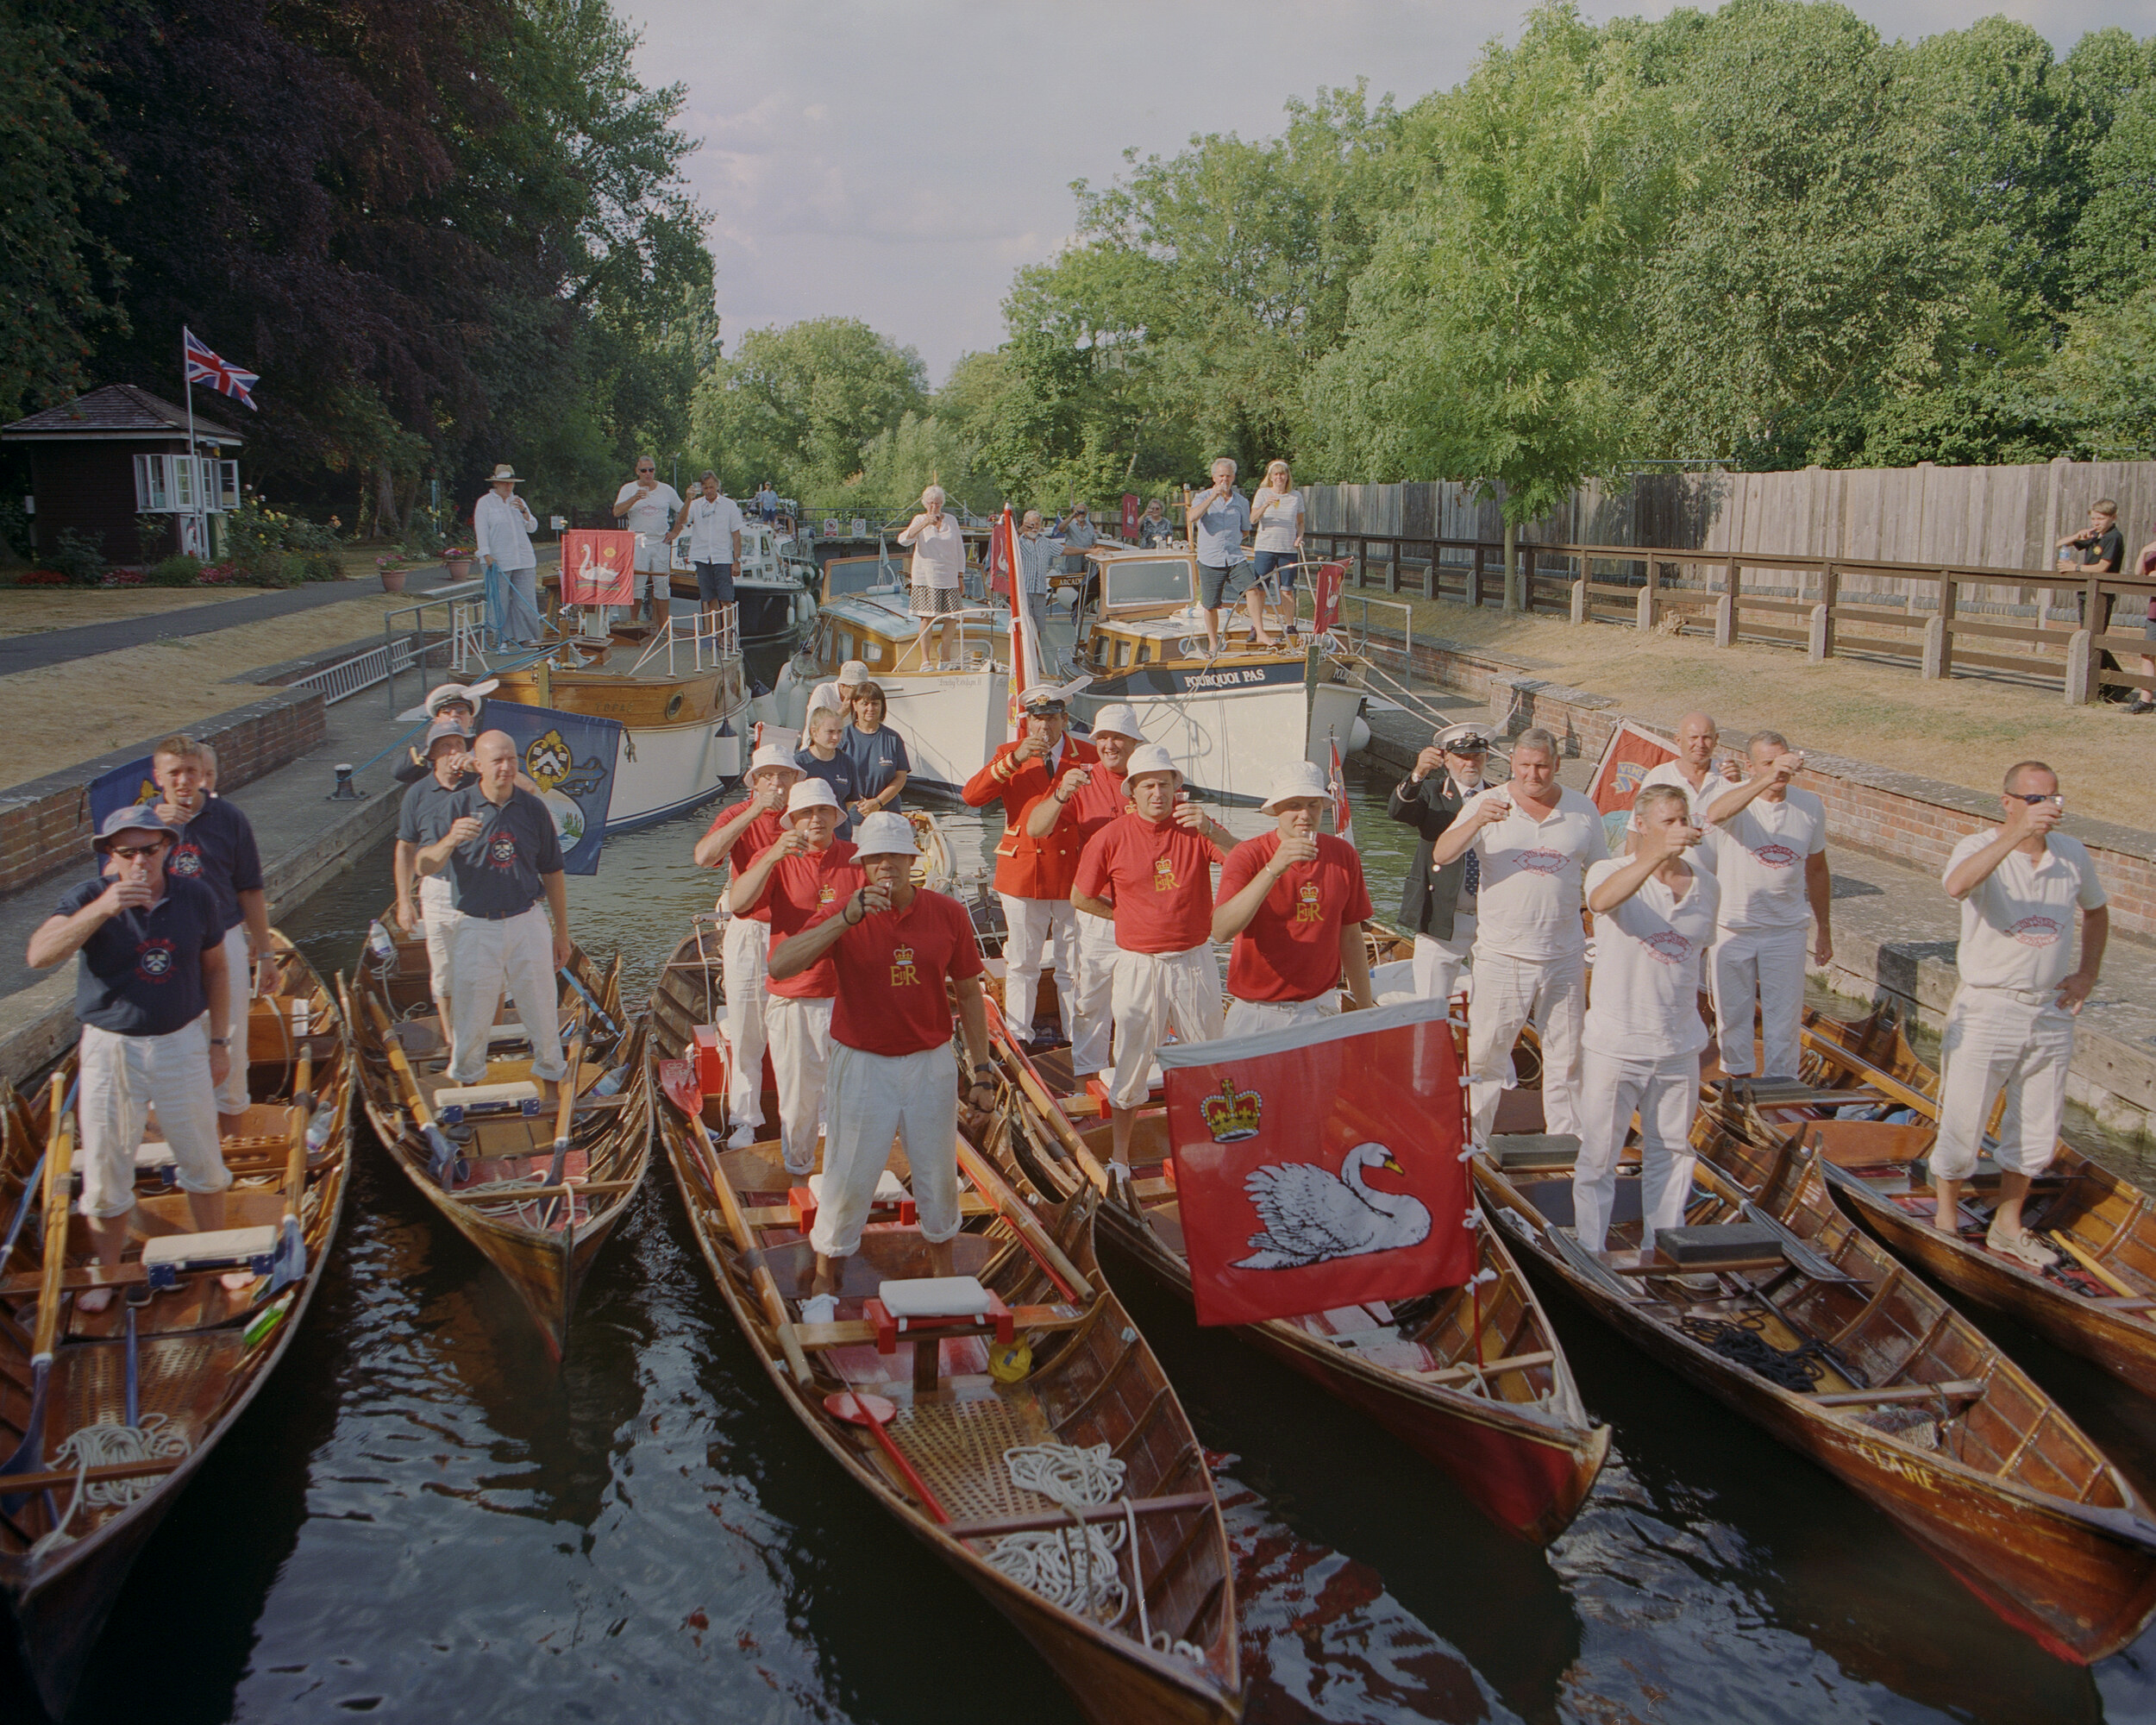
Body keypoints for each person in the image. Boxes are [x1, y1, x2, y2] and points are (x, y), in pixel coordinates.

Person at [767, 811, 995, 1310]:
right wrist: (845, 919)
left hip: (929, 1062)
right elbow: (781, 966)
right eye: (875, 857)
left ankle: (942, 1272)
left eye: (896, 854)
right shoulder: (845, 913)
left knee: (936, 1173)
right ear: (861, 863)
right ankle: (826, 1279)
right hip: (862, 1062)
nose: (886, 865)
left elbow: (969, 994)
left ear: (915, 860)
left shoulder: (948, 913)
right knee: (849, 1173)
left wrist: (981, 1069)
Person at [25, 808, 239, 1311]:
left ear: (167, 847)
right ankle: (106, 1271)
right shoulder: (86, 899)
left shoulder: (196, 896)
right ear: (110, 856)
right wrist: (103, 909)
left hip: (180, 1039)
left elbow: (217, 971)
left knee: (201, 1153)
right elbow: (38, 955)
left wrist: (219, 1044)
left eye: (149, 849)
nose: (140, 862)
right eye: (127, 853)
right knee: (105, 1163)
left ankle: (213, 1254)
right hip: (110, 1046)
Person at [1933, 762, 2108, 1269]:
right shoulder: (1977, 847)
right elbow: (1957, 886)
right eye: (2034, 799)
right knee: (1964, 1119)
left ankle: (2007, 1226)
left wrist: (2087, 974)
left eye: (2053, 799)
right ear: (2007, 801)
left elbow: (2097, 911)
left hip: (2049, 1008)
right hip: (1988, 1004)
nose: (2047, 809)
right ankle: (1945, 1218)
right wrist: (2014, 837)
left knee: (2036, 1124)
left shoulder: (2071, 854)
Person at [1426, 726, 1608, 1145]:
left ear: (1557, 765)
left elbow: (1599, 874)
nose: (1533, 774)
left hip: (1564, 956)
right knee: (1488, 1056)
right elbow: (1442, 854)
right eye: (1524, 765)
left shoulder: (1583, 809)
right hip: (1502, 956)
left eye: (1542, 766)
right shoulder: (1489, 803)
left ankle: (1567, 1143)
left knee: (1569, 1057)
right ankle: (1474, 1143)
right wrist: (1474, 821)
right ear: (1513, 765)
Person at [1571, 785, 1720, 1256]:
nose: (1679, 830)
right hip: (1616, 1044)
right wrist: (1652, 856)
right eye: (1667, 822)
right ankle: (1591, 1250)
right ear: (1642, 825)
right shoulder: (1611, 870)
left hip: (1679, 1047)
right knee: (1599, 1157)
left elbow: (1697, 959)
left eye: (1683, 820)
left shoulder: (1708, 886)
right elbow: (1600, 902)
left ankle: (1662, 1246)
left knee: (1674, 1154)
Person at [1072, 743, 1233, 1169]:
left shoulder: (1196, 828)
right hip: (1138, 965)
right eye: (1147, 785)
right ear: (1133, 792)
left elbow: (1246, 865)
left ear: (1176, 787)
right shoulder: (1110, 837)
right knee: (1130, 1058)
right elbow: (1080, 896)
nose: (1157, 793)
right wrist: (1123, 916)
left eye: (1164, 784)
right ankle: (1121, 1161)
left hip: (1193, 960)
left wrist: (1214, 831)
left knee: (1207, 1058)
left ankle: (1213, 1151)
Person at [414, 731, 572, 1090]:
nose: (505, 767)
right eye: (497, 761)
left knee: (542, 1006)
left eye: (511, 759)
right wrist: (451, 839)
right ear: (478, 766)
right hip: (475, 924)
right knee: (470, 1013)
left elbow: (553, 871)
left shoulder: (533, 809)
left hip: (527, 919)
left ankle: (553, 1074)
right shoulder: (455, 808)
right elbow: (423, 864)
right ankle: (467, 1080)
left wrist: (561, 932)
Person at [728, 779, 862, 1176]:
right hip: (795, 997)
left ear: (837, 817)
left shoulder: (856, 858)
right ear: (792, 821)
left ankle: (848, 1175)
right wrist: (770, 857)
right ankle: (799, 1170)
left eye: (823, 811)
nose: (815, 819)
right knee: (799, 1102)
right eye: (805, 813)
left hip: (849, 998)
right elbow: (739, 902)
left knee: (850, 1097)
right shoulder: (776, 859)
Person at [963, 689, 1100, 1052]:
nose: (1044, 726)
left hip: (1073, 871)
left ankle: (1076, 1038)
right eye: (1037, 719)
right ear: (1027, 722)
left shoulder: (1087, 755)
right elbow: (971, 796)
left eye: (1052, 718)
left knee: (1073, 963)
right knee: (1023, 962)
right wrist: (1013, 760)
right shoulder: (1008, 756)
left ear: (1064, 720)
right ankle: (1020, 1037)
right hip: (1024, 870)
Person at [1024, 703, 1145, 1082]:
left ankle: (1135, 1075)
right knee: (1091, 998)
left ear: (1134, 743)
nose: (1110, 745)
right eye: (1103, 738)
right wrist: (1060, 794)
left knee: (1139, 1003)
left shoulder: (1153, 777)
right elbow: (1035, 829)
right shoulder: (1082, 779)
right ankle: (1090, 1075)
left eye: (1118, 738)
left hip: (1145, 911)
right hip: (1099, 908)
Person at [152, 732, 268, 1128]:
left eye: (190, 772)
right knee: (166, 1036)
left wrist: (266, 953)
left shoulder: (229, 818)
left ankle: (231, 1130)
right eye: (174, 773)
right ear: (159, 778)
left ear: (203, 775)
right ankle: (171, 1134)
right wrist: (153, 829)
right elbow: (111, 883)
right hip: (166, 943)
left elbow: (250, 887)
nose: (183, 781)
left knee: (229, 1036)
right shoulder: (141, 824)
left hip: (224, 937)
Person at [1702, 731, 1833, 1082]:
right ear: (1750, 766)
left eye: (1782, 761)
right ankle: (1738, 1083)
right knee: (1733, 1016)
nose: (1779, 771)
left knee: (1784, 1020)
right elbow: (1715, 815)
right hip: (1734, 926)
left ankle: (1780, 1087)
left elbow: (1817, 871)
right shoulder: (1734, 797)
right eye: (1768, 763)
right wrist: (1764, 781)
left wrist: (1825, 932)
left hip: (1786, 930)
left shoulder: (1809, 805)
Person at [693, 743, 805, 1148]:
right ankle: (745, 1120)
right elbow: (705, 857)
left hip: (795, 933)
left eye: (784, 775)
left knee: (799, 1029)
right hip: (749, 930)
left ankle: (805, 1118)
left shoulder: (808, 815)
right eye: (767, 776)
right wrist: (756, 811)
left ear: (796, 781)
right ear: (754, 782)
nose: (776, 783)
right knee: (746, 1029)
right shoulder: (736, 815)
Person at [1214, 760, 1375, 1033]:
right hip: (1258, 1014)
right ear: (1276, 809)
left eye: (1313, 804)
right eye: (1294, 805)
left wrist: (1365, 1009)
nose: (1304, 814)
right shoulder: (1248, 855)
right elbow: (1221, 930)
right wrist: (1273, 870)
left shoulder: (1343, 854)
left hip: (1319, 1008)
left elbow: (1350, 935)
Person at [1388, 722, 1495, 1003]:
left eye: (1477, 756)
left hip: (1492, 919)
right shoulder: (1431, 792)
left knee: (1495, 1006)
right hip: (1440, 915)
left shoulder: (1500, 797)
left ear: (1486, 758)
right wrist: (1419, 773)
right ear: (1446, 759)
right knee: (1431, 1005)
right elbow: (1398, 811)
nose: (1470, 763)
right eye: (1462, 756)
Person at [394, 720, 478, 1021]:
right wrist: (404, 901)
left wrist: (479, 767)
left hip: (481, 889)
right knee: (444, 973)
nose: (455, 750)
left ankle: (488, 1045)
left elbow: (528, 790)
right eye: (446, 745)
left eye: (460, 744)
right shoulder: (417, 794)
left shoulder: (483, 783)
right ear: (432, 755)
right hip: (438, 891)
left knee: (487, 972)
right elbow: (405, 849)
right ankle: (453, 1042)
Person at [1187, 458, 1262, 656]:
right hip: (1210, 558)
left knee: (1253, 589)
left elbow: (1245, 530)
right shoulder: (1201, 497)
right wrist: (1212, 497)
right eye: (1221, 476)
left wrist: (1232, 538)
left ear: (1234, 477)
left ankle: (1260, 632)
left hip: (1234, 556)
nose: (1224, 480)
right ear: (1214, 477)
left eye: (1228, 476)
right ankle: (1213, 643)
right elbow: (1191, 517)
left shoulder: (1242, 502)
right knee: (1210, 604)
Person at [473, 463, 544, 648]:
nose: (508, 487)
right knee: (499, 601)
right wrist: (486, 554)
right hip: (498, 560)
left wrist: (524, 511)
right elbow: (481, 530)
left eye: (511, 483)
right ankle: (500, 639)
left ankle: (527, 637)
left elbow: (533, 527)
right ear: (496, 483)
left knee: (526, 600)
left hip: (523, 558)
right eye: (505, 483)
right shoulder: (485, 503)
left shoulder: (518, 501)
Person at [897, 485, 967, 668]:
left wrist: (960, 576)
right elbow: (904, 540)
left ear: (942, 503)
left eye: (937, 503)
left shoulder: (951, 520)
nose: (934, 507)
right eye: (930, 503)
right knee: (927, 618)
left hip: (949, 577)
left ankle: (945, 658)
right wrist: (924, 523)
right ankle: (925, 660)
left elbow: (959, 549)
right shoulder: (919, 519)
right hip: (926, 577)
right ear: (925, 504)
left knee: (952, 618)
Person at [611, 454, 683, 629]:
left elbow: (683, 510)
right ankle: (633, 623)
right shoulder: (628, 489)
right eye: (644, 470)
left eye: (651, 470)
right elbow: (616, 512)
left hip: (660, 541)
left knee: (662, 584)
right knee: (637, 582)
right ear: (637, 471)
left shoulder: (666, 490)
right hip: (638, 540)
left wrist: (676, 531)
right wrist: (634, 498)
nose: (648, 474)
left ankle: (663, 627)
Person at [667, 470, 744, 624]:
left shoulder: (730, 505)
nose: (709, 491)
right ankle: (714, 638)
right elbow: (681, 521)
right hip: (702, 557)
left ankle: (728, 638)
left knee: (726, 600)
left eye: (711, 487)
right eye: (705, 488)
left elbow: (736, 534)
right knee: (709, 600)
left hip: (722, 557)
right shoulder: (695, 505)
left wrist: (737, 560)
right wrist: (688, 500)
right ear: (701, 488)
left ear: (717, 485)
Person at [1639, 712, 1737, 825]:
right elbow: (1637, 828)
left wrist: (1737, 785)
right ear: (1678, 740)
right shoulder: (1659, 777)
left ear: (1716, 739)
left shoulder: (1728, 776)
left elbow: (1747, 824)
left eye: (1707, 738)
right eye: (1693, 737)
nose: (1700, 744)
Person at [392, 681, 498, 785]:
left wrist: (478, 768)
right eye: (446, 712)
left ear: (471, 721)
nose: (454, 716)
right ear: (437, 721)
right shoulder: (423, 749)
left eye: (461, 711)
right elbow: (400, 773)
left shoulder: (484, 749)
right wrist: (432, 744)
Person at [1249, 459, 1305, 637]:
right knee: (1260, 589)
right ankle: (1257, 626)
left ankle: (1290, 626)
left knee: (1287, 589)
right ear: (1271, 477)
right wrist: (1266, 504)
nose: (1280, 477)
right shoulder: (1262, 493)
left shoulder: (1296, 496)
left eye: (1283, 474)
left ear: (1287, 476)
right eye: (1276, 474)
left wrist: (1300, 537)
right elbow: (1253, 519)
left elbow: (1301, 522)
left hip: (1287, 548)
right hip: (1265, 547)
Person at [841, 682, 910, 820]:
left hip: (889, 817)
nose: (870, 708)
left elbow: (901, 777)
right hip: (853, 818)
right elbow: (838, 776)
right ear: (854, 705)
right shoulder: (843, 737)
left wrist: (878, 802)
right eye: (865, 703)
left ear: (882, 706)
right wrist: (862, 804)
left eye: (875, 703)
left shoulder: (893, 738)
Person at [795, 706, 863, 839]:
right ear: (814, 732)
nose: (836, 737)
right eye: (830, 732)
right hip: (809, 838)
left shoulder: (846, 762)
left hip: (841, 835)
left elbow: (849, 801)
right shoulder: (799, 763)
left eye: (839, 731)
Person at [1016, 510, 1061, 642]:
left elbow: (1065, 550)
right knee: (1024, 627)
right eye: (1031, 524)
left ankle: (1036, 657)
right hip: (1023, 592)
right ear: (1025, 524)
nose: (1034, 527)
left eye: (1037, 524)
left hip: (1040, 591)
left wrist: (1089, 550)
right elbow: (1006, 544)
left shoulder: (1045, 542)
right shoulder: (1018, 540)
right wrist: (1019, 531)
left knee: (1038, 628)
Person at [2129, 533, 2156, 716]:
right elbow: (2140, 574)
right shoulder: (2154, 555)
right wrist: (2144, 552)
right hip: (2154, 613)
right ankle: (2145, 700)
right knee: (2148, 654)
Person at [806, 659, 870, 719]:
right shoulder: (823, 691)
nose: (860, 691)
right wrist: (843, 711)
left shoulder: (862, 700)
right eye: (855, 687)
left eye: (863, 687)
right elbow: (818, 724)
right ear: (841, 685)